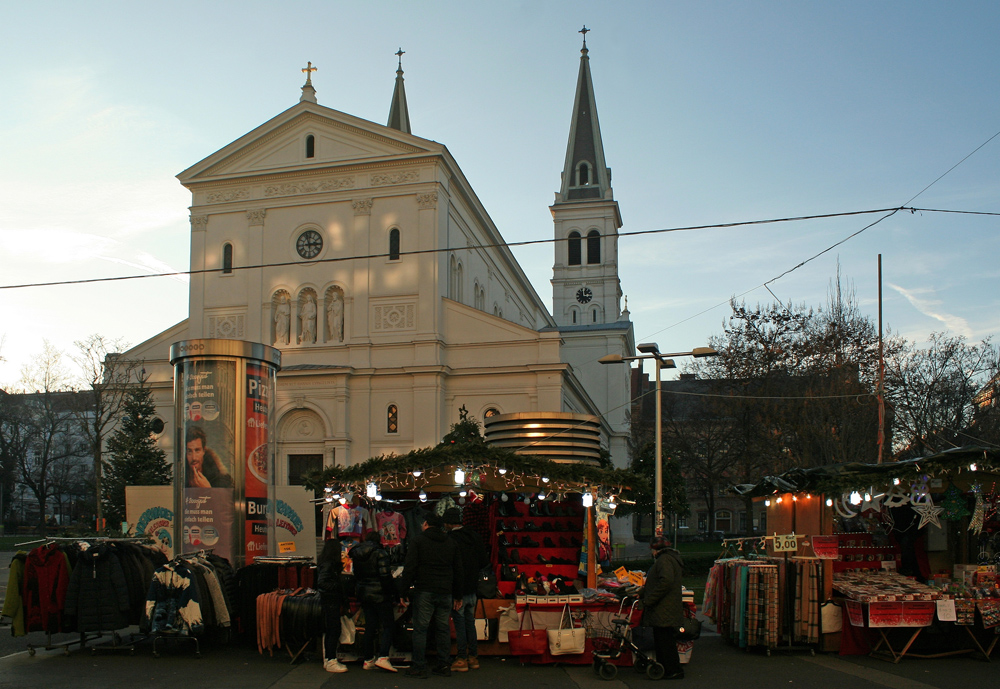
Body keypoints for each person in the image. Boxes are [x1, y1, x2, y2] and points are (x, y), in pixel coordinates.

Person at [400, 512, 463, 678]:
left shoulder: (418, 541)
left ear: (426, 524)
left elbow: (410, 567)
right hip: (445, 591)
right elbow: (457, 569)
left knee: (421, 628)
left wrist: (403, 590)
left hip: (425, 589)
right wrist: (458, 594)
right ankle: (443, 664)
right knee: (443, 628)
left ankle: (419, 665)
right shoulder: (451, 542)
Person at [443, 506, 488, 671]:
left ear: (448, 523)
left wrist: (456, 593)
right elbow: (484, 560)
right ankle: (473, 657)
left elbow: (451, 566)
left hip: (458, 588)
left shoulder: (450, 539)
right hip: (473, 586)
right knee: (470, 622)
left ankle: (461, 658)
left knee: (460, 623)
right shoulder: (474, 536)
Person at [349, 531, 398, 672]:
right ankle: (383, 656)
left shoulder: (357, 554)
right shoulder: (380, 553)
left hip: (365, 594)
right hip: (380, 594)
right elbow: (385, 576)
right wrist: (393, 592)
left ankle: (368, 659)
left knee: (370, 626)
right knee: (388, 625)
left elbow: (356, 575)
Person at [640, 535, 685, 680]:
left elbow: (665, 581)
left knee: (665, 641)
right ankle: (666, 668)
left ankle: (672, 669)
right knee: (663, 639)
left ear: (655, 549)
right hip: (666, 607)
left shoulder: (664, 560)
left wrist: (649, 599)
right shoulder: (670, 558)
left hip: (663, 607)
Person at [317, 539, 348, 673]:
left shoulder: (325, 563)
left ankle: (329, 659)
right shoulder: (330, 565)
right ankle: (331, 659)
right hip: (331, 601)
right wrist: (337, 587)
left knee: (330, 630)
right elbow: (322, 582)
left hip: (328, 601)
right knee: (333, 630)